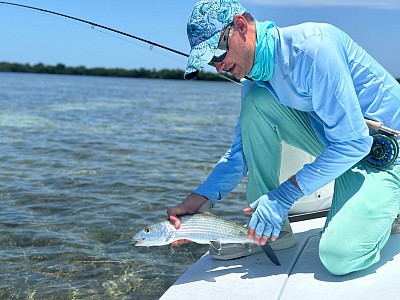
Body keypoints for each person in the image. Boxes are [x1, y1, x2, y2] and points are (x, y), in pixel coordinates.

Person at [167, 0, 400, 275]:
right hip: (340, 149)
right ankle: (271, 232)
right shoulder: (254, 80)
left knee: (339, 258)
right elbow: (241, 151)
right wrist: (201, 198)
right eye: (208, 60)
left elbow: (355, 142)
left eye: (217, 52)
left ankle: (391, 208)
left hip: (385, 156)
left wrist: (283, 196)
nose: (217, 66)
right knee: (256, 103)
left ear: (241, 26)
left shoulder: (313, 49)